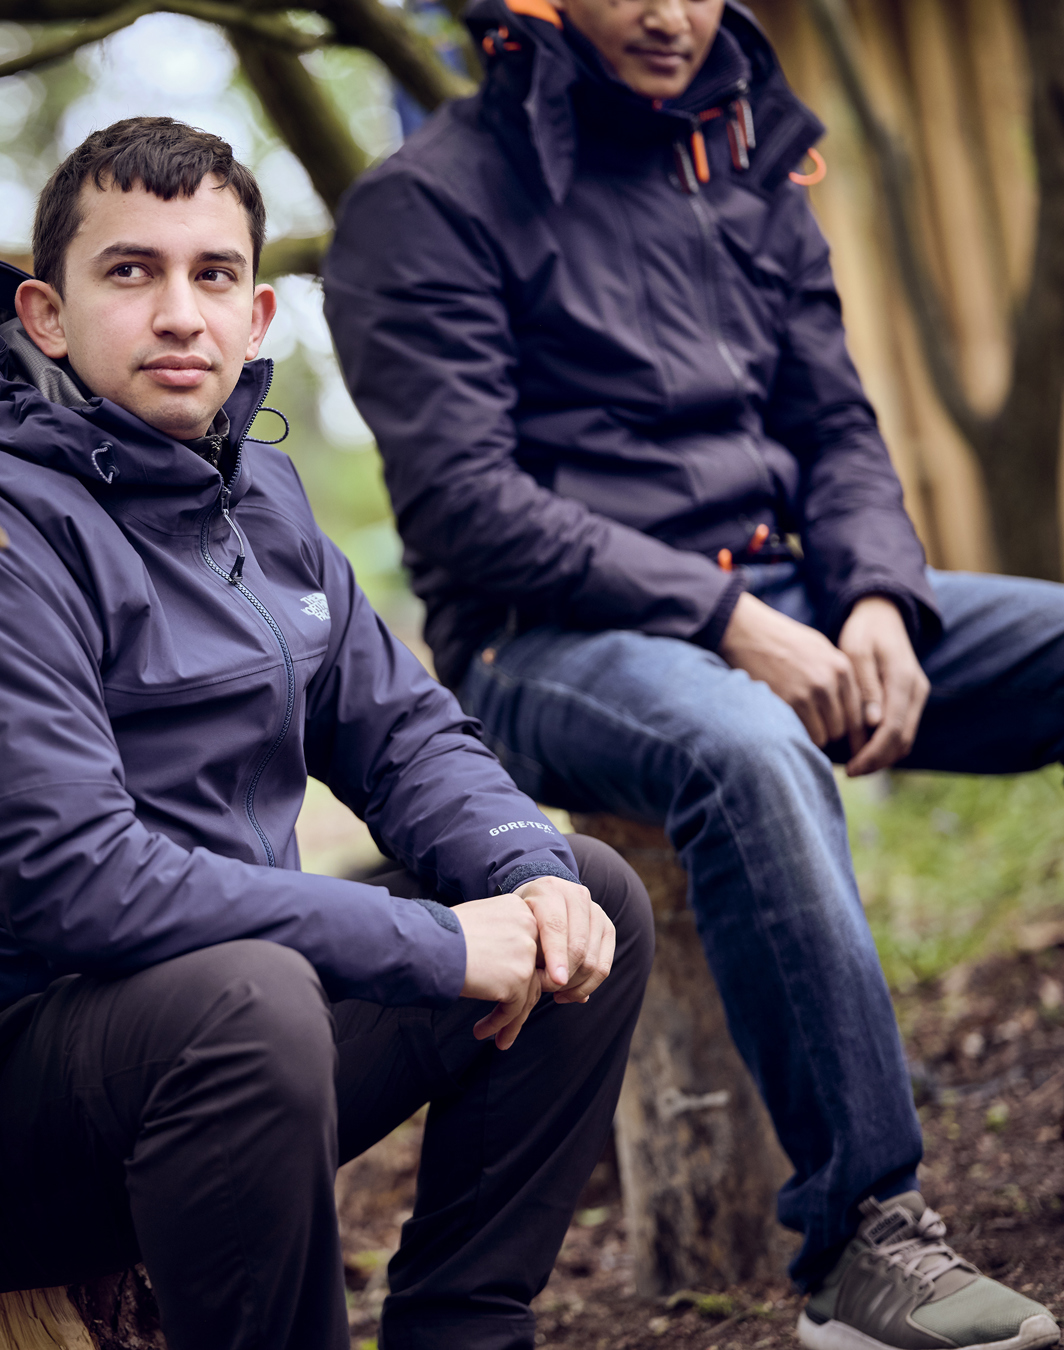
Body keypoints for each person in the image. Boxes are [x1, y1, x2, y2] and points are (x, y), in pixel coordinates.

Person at [322, 2, 1064, 1348]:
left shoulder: (751, 154)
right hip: (537, 642)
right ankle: (865, 1241)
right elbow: (468, 502)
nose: (669, 12)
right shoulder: (420, 204)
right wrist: (727, 620)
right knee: (748, 746)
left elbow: (832, 419)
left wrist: (882, 595)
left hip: (783, 593)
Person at [0, 116, 655, 1350]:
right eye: (131, 271)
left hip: (242, 1039)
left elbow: (408, 735)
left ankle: (462, 1333)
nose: (180, 315)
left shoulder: (258, 497)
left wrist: (522, 869)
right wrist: (428, 945)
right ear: (44, 313)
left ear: (258, 318)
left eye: (214, 276)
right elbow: (76, 881)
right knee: (247, 1000)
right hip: (5, 1109)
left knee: (590, 900)